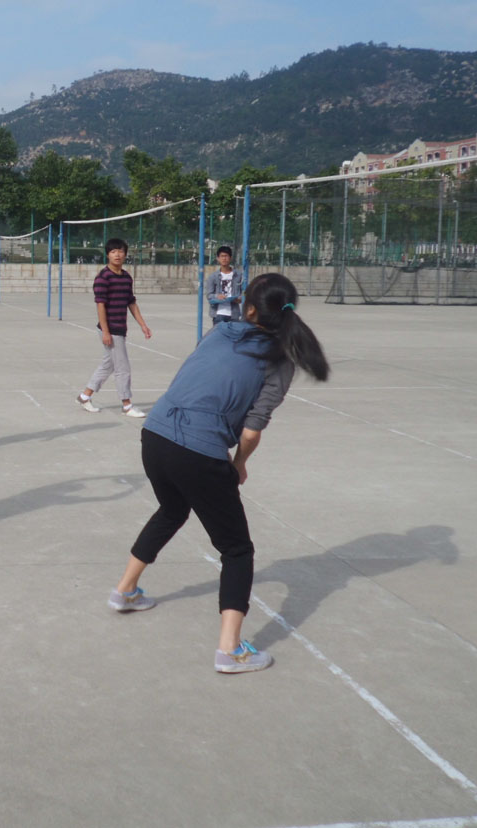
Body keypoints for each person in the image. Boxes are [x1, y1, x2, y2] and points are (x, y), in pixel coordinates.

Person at [107, 273, 329, 674]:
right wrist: (238, 464)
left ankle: (124, 591)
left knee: (172, 510)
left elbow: (195, 379)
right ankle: (230, 650)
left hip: (155, 434)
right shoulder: (280, 360)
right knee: (237, 550)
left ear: (248, 308)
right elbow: (252, 430)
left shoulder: (220, 332)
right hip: (197, 450)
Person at [76, 237, 152, 417]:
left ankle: (85, 396)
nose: (117, 255)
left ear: (125, 254)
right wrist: (106, 331)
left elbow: (131, 302)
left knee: (108, 365)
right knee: (122, 368)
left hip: (121, 327)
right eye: (113, 251)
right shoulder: (103, 278)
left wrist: (143, 325)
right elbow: (100, 305)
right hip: (110, 329)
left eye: (120, 251)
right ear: (108, 255)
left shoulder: (126, 277)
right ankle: (127, 405)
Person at [204, 245, 243, 325]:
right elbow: (209, 295)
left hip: (234, 314)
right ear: (218, 258)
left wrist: (240, 299)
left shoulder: (238, 275)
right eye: (222, 256)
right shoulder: (213, 277)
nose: (224, 258)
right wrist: (217, 296)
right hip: (218, 314)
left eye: (226, 256)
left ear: (230, 258)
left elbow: (244, 292)